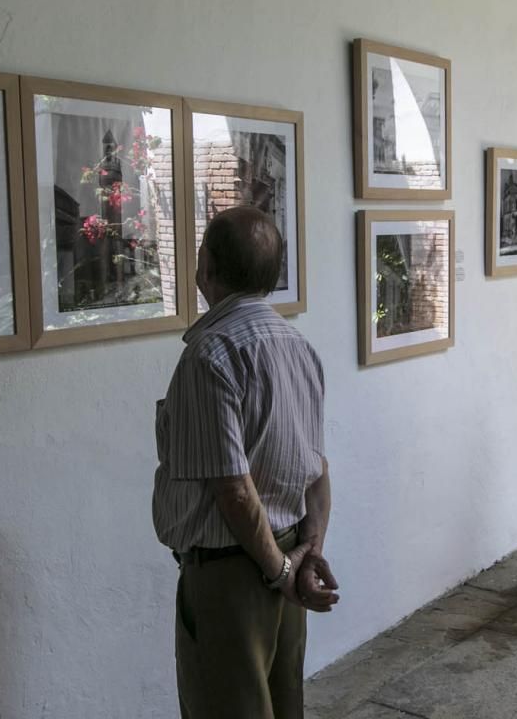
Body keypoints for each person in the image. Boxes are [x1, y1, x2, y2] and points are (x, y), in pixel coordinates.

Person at [152, 206, 339, 718]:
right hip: (281, 560)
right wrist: (307, 555)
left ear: (204, 265)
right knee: (282, 708)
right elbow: (317, 471)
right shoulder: (299, 348)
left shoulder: (209, 355)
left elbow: (233, 489)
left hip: (232, 574)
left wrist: (280, 570)